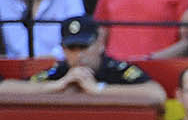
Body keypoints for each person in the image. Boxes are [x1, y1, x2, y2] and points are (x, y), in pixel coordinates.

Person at [0, 14, 168, 103]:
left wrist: (99, 90)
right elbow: (5, 89)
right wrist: (56, 85)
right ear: (63, 49)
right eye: (72, 48)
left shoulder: (115, 68)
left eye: (84, 47)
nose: (79, 55)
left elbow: (157, 94)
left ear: (100, 44)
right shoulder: (61, 70)